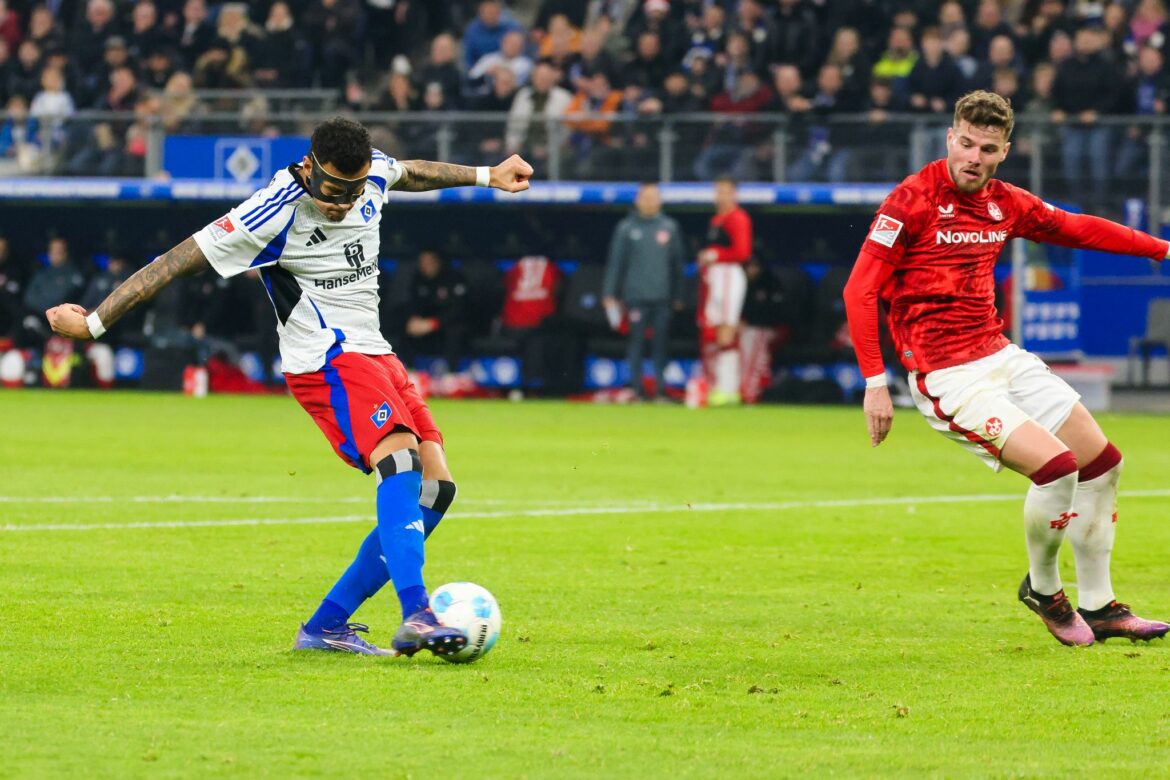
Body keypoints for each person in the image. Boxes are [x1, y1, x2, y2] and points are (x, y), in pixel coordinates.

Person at [45, 117, 534, 657]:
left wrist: (488, 175)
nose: (343, 202)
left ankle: (326, 625)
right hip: (324, 356)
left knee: (436, 489)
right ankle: (416, 611)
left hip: (374, 350)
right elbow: (174, 263)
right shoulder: (271, 208)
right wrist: (93, 324)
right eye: (332, 190)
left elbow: (412, 173)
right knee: (398, 462)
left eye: (354, 190)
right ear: (309, 166)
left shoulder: (370, 179)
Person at [842, 91, 1170, 647]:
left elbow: (1079, 228)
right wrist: (875, 382)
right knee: (1058, 467)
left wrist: (1161, 248)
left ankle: (1101, 605)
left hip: (999, 355)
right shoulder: (910, 201)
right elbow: (859, 289)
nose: (973, 156)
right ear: (950, 138)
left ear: (1003, 152)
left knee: (1102, 463)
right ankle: (1044, 590)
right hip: (945, 375)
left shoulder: (1006, 203)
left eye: (986, 148)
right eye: (965, 143)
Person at [602, 182, 685, 401]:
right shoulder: (626, 228)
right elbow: (616, 264)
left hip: (662, 297)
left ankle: (659, 389)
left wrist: (678, 295)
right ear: (638, 200)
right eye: (645, 197)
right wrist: (609, 294)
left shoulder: (669, 227)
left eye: (653, 197)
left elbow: (677, 265)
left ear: (659, 200)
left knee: (660, 344)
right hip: (635, 297)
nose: (649, 201)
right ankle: (636, 389)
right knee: (636, 343)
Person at [698, 177, 752, 406]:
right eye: (718, 192)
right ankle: (721, 385)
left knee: (727, 331)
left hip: (729, 275)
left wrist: (715, 255)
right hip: (716, 277)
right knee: (716, 330)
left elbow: (742, 253)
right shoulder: (716, 219)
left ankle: (729, 389)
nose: (721, 196)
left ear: (734, 194)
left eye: (726, 192)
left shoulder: (738, 218)